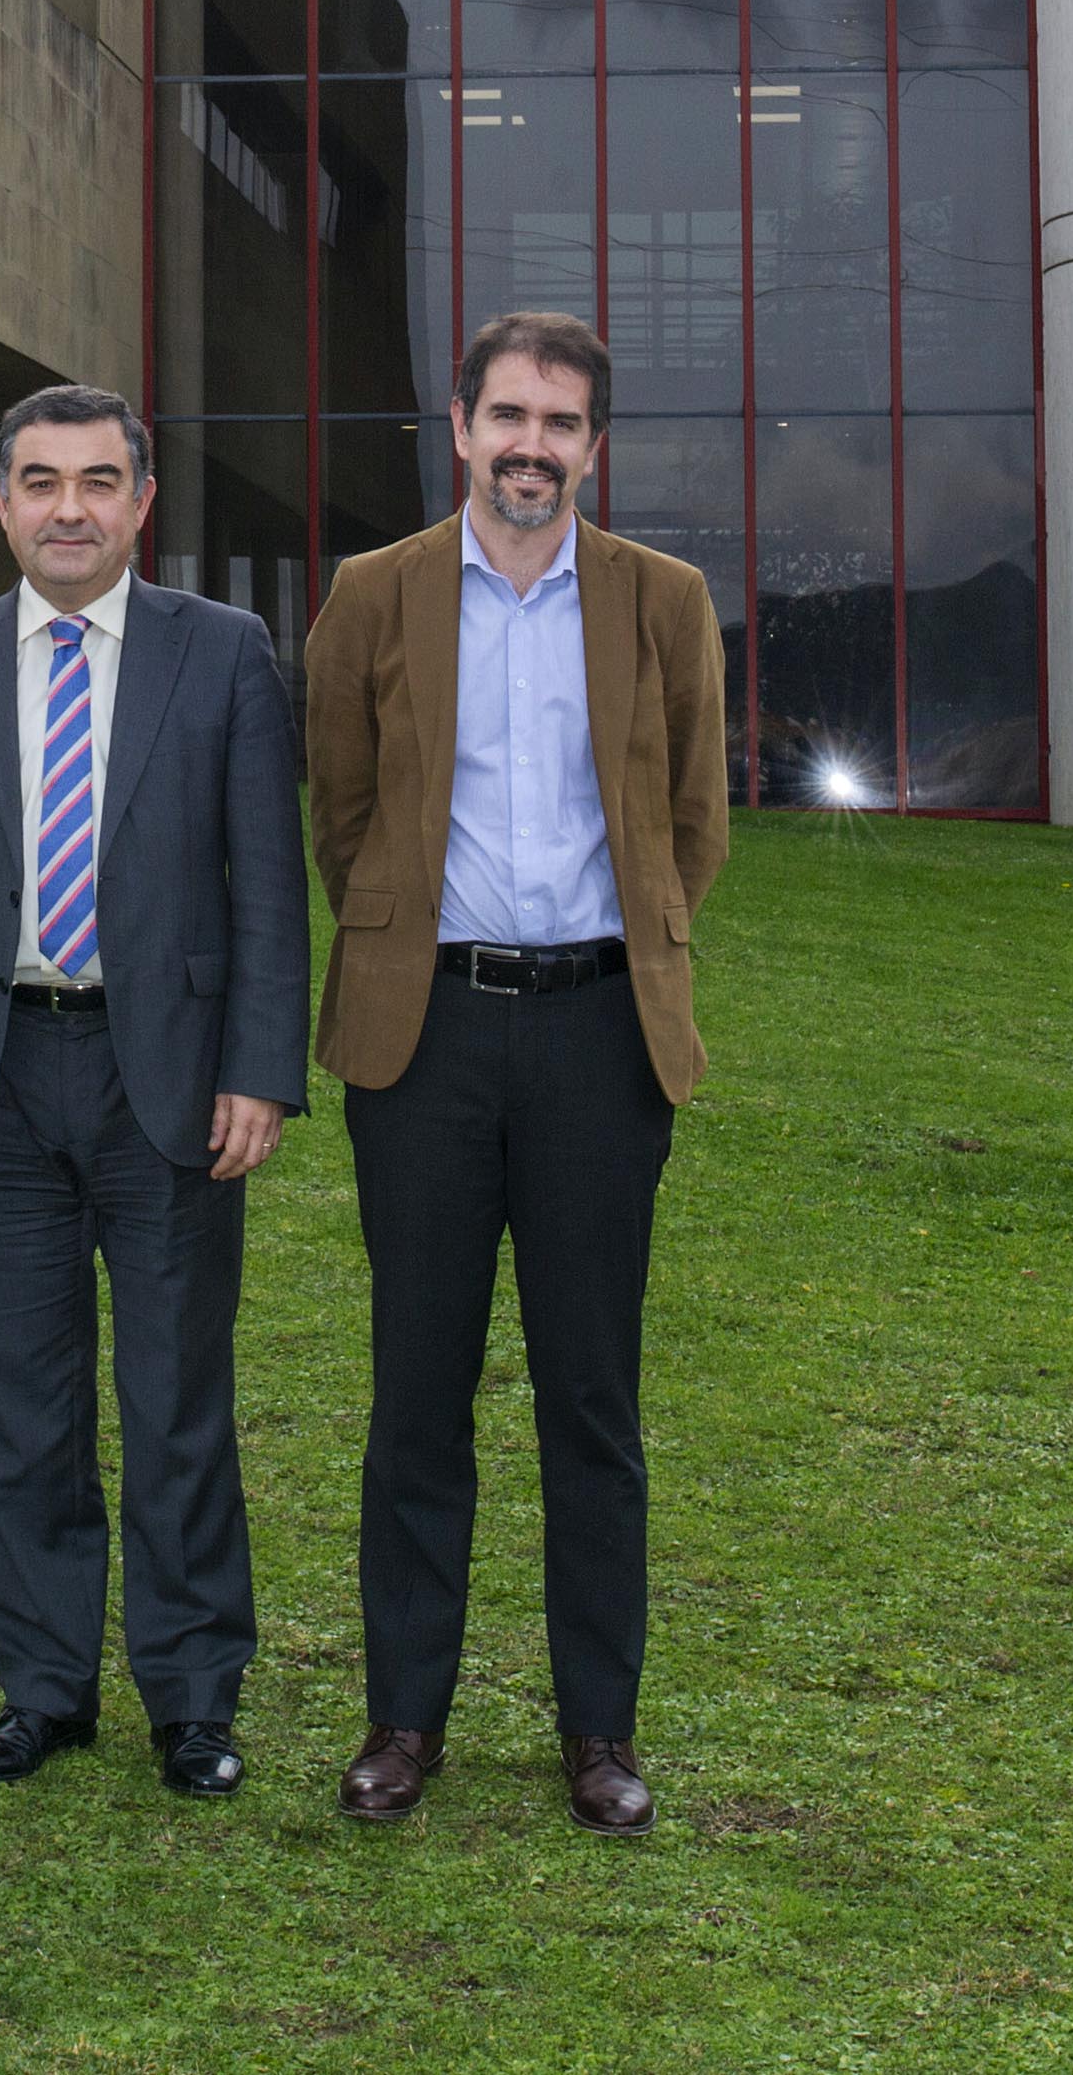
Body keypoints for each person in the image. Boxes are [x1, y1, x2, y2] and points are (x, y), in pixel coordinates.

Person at [299, 311, 727, 1838]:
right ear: (462, 426)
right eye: (508, 417)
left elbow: (694, 823)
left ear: (591, 446)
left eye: (560, 424)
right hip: (424, 1039)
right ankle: (404, 1720)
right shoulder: (374, 594)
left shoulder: (664, 601)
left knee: (591, 1399)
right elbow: (342, 813)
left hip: (602, 1040)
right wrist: (410, 948)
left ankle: (599, 1732)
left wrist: (625, 953)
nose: (531, 447)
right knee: (417, 1391)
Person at [0, 383, 307, 1797]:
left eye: (99, 481)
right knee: (24, 1402)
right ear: (0, 502)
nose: (71, 509)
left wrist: (260, 1068)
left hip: (167, 1078)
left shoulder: (223, 654)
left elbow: (269, 882)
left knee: (178, 1400)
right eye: (43, 482)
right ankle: (44, 1689)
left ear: (140, 503)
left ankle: (193, 1697)